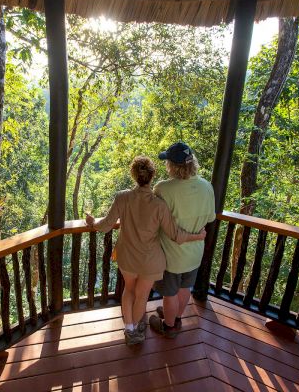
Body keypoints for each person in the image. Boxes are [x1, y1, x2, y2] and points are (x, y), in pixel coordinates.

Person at [86, 156, 206, 345]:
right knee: (142, 295)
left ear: (133, 175)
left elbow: (106, 225)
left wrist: (92, 222)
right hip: (150, 261)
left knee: (129, 290)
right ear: (153, 175)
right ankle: (136, 330)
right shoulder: (159, 205)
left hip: (127, 256)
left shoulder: (122, 197)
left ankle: (130, 329)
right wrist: (197, 237)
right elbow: (176, 235)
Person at [149, 142, 215, 338]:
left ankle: (168, 326)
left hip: (171, 254)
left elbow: (155, 218)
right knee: (185, 287)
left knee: (169, 293)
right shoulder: (206, 186)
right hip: (195, 252)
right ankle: (176, 317)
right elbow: (210, 219)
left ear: (172, 166)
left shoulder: (163, 188)